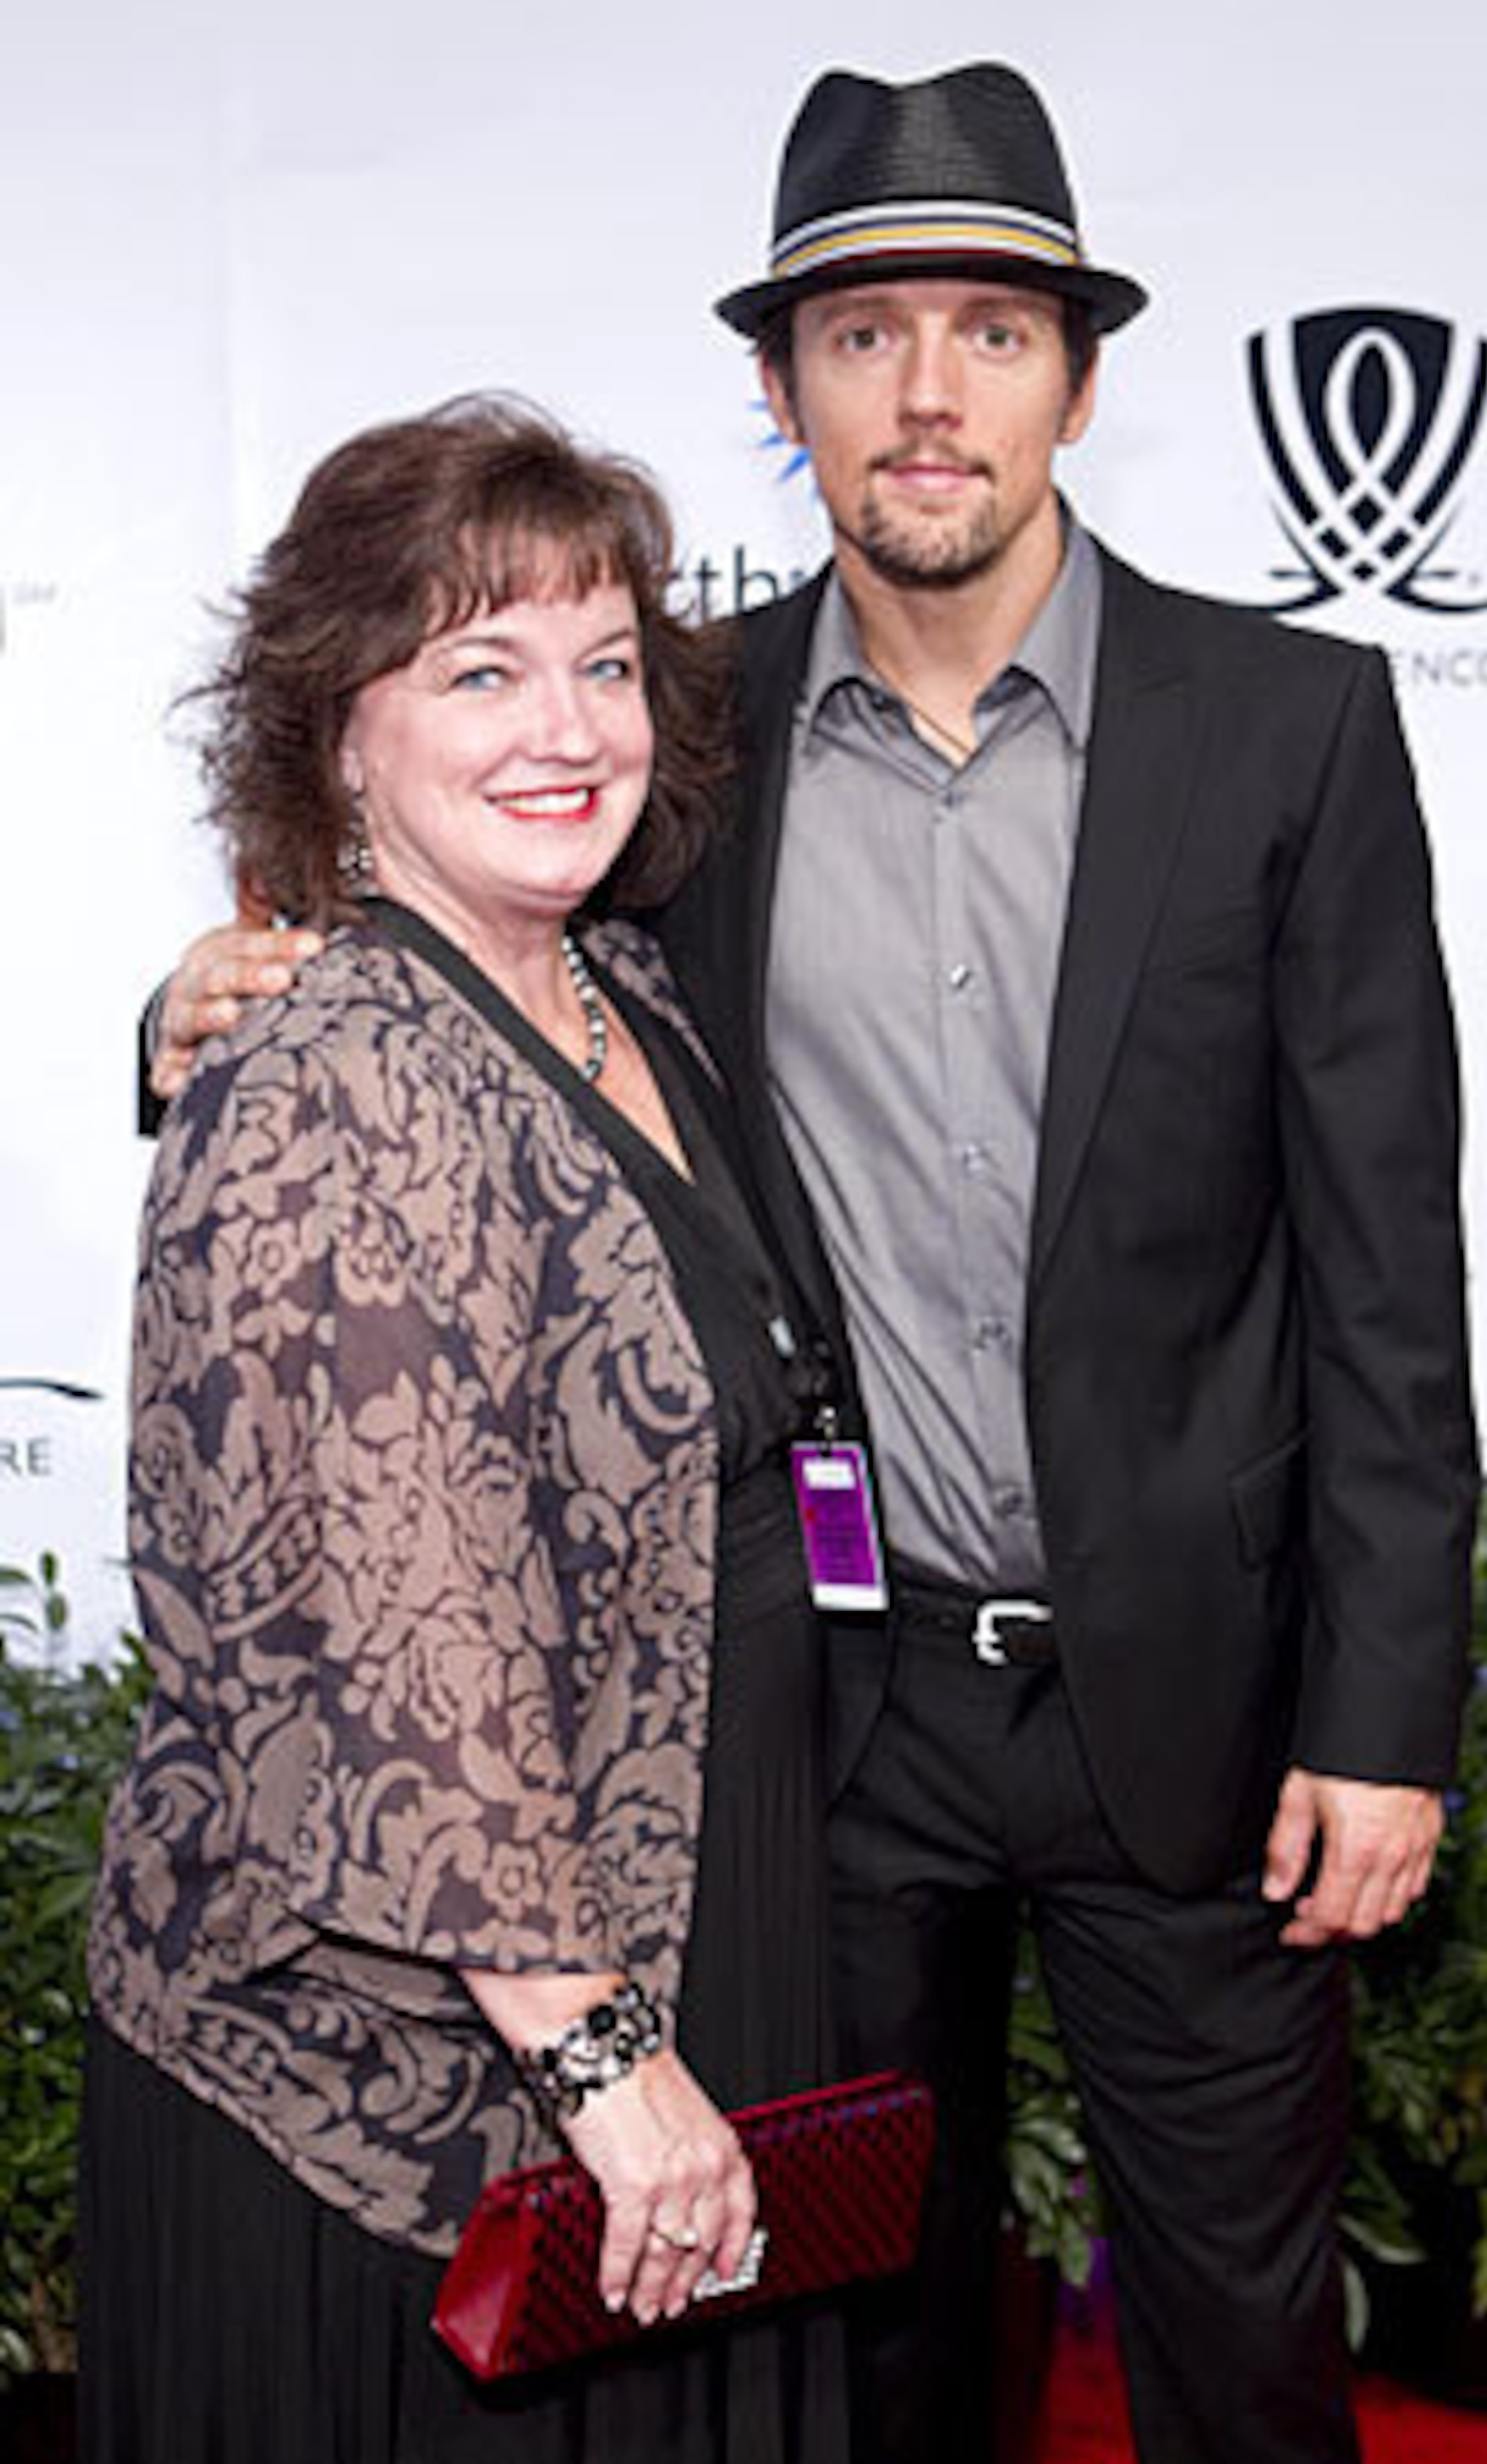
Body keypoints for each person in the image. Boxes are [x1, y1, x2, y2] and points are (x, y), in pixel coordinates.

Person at [146, 60, 1480, 2464]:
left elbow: (1390, 1261)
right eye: (865, 337)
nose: (929, 394)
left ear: (1081, 380)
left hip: (1197, 1701)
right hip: (830, 1733)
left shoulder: (1290, 728)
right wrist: (195, 1008)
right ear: (784, 393)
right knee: (857, 2360)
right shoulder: (682, 733)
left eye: (993, 331)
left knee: (1246, 2348)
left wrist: (1384, 1714)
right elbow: (469, 993)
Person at [89, 396, 858, 2464]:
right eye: (481, 672)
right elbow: (390, 1641)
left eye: (605, 664)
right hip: (430, 2080)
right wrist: (602, 2062)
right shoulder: (337, 1077)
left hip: (689, 1925)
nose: (567, 729)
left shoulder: (618, 992)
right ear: (341, 732)